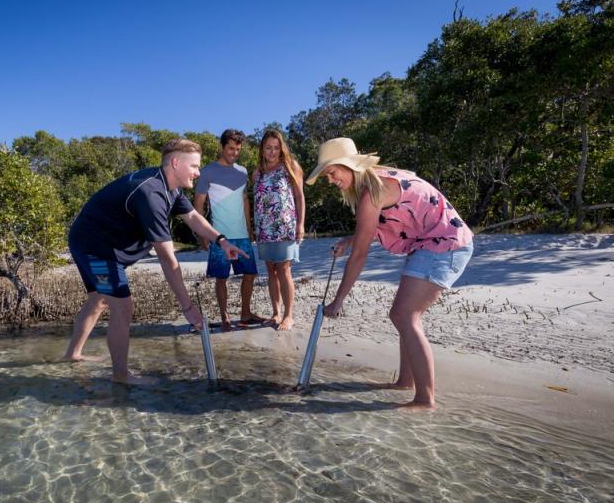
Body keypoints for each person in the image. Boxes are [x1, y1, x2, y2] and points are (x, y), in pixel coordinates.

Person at [306, 137, 474, 409]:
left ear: (347, 166)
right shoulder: (377, 182)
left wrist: (338, 301)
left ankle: (424, 399)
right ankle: (406, 382)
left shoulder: (372, 193)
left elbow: (360, 256)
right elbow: (369, 232)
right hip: (431, 243)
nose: (330, 180)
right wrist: (350, 240)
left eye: (331, 173)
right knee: (403, 314)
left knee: (405, 315)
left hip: (446, 245)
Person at [63, 138, 247, 384]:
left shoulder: (170, 188)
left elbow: (193, 217)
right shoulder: (151, 194)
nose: (198, 172)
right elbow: (167, 259)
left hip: (96, 242)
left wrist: (221, 240)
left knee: (98, 299)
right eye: (194, 166)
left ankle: (72, 354)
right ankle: (121, 376)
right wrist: (188, 308)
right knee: (122, 306)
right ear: (175, 163)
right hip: (95, 248)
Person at [194, 129, 265, 331]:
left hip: (242, 234)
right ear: (222, 147)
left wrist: (250, 229)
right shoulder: (207, 171)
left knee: (250, 274)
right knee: (222, 278)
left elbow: (244, 201)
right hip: (219, 236)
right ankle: (225, 317)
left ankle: (245, 313)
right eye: (231, 148)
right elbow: (198, 204)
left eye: (238, 149)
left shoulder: (242, 172)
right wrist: (202, 233)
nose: (234, 153)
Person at [252, 129, 305, 331]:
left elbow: (299, 197)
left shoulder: (290, 166)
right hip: (264, 228)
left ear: (281, 148)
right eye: (268, 148)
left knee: (284, 270)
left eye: (276, 148)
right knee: (270, 271)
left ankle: (288, 316)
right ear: (262, 149)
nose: (272, 152)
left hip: (285, 226)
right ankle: (275, 313)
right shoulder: (258, 172)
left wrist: (300, 224)